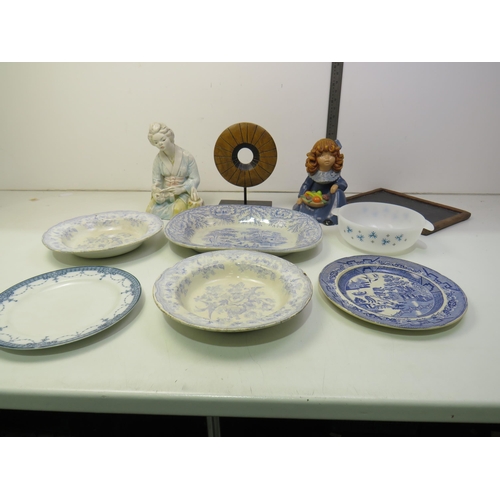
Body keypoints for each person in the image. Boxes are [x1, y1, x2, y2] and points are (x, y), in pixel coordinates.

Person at [146, 122, 203, 219]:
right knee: (150, 210)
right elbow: (157, 180)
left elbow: (195, 178)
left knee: (177, 210)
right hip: (165, 193)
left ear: (170, 137)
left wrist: (182, 189)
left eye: (163, 139)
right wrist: (156, 188)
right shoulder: (158, 160)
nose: (160, 144)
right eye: (156, 142)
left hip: (182, 193)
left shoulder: (187, 156)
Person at [292, 138, 347, 225]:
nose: (327, 158)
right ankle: (308, 215)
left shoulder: (334, 174)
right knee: (303, 204)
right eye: (322, 155)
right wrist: (300, 197)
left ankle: (332, 217)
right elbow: (306, 185)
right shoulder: (315, 174)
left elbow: (343, 183)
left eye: (331, 155)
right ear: (315, 158)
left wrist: (337, 185)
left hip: (329, 200)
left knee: (339, 193)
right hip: (313, 198)